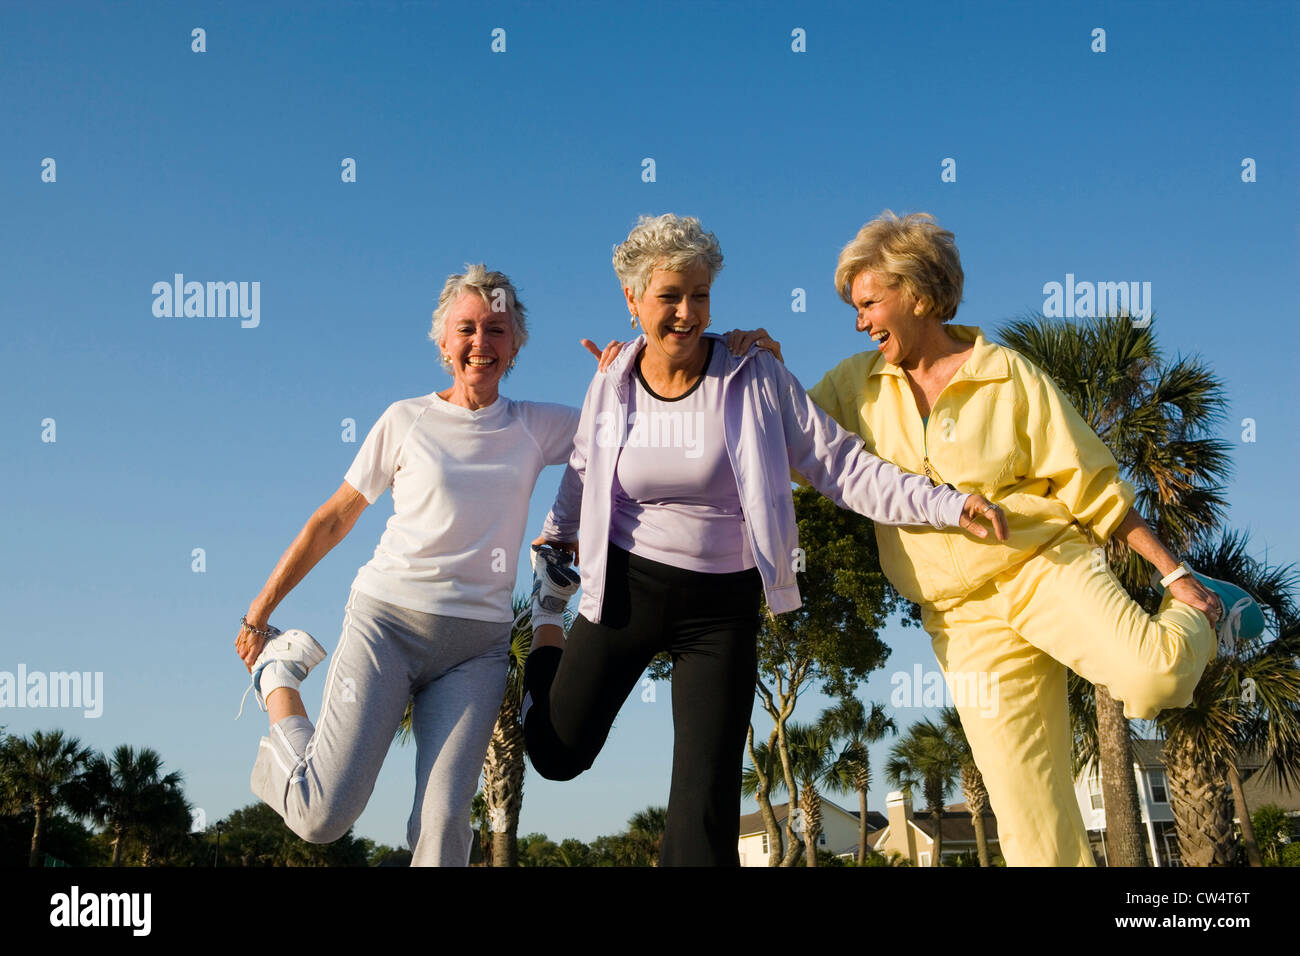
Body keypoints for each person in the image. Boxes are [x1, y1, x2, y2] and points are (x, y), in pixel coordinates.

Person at [521, 214, 1007, 866]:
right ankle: (545, 624)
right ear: (633, 301)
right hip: (626, 588)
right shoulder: (610, 381)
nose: (688, 314)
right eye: (669, 297)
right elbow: (584, 466)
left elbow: (842, 468)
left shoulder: (754, 376)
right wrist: (556, 543)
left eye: (700, 295)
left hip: (720, 609)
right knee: (555, 755)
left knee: (704, 817)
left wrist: (946, 504)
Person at [801, 210, 1263, 866]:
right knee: (1032, 824)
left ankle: (1202, 615)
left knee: (1154, 678)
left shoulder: (1006, 374)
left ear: (919, 295)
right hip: (961, 620)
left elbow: (1089, 481)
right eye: (855, 308)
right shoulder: (855, 386)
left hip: (1044, 566)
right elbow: (788, 444)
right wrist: (751, 367)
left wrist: (1172, 572)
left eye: (870, 303)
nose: (860, 322)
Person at [233, 264, 597, 866]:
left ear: (516, 344)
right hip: (387, 628)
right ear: (443, 342)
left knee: (445, 822)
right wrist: (259, 612)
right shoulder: (406, 420)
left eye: (497, 330)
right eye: (467, 329)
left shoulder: (535, 425)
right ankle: (276, 679)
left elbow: (630, 426)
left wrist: (635, 363)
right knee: (323, 815)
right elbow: (333, 519)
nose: (481, 343)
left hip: (477, 649)